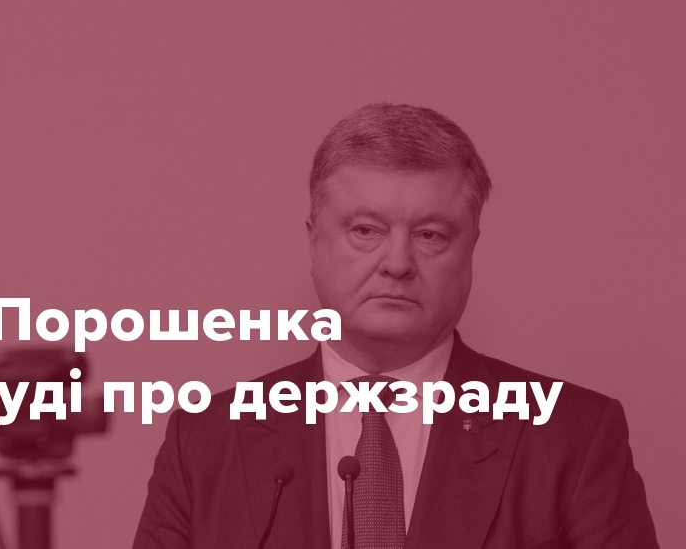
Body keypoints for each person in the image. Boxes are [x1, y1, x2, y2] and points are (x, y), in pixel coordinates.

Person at [133, 103, 658, 548]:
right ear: (314, 241)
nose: (398, 263)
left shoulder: (572, 436)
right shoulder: (204, 439)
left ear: (471, 248)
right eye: (366, 230)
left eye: (430, 235)